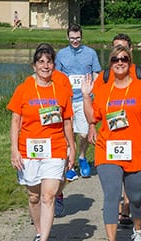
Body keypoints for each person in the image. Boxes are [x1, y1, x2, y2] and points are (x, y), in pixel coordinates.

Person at [83, 45, 141, 241]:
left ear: (130, 63)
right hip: (108, 150)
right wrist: (85, 96)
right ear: (110, 64)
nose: (120, 62)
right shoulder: (104, 89)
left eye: (125, 59)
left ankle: (138, 231)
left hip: (138, 150)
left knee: (136, 197)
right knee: (111, 195)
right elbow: (93, 117)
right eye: (116, 59)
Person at [7, 44, 75, 241]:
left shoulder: (62, 89)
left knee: (48, 195)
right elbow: (16, 120)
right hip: (29, 150)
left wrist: (71, 147)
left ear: (54, 65)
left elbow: (66, 121)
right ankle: (38, 233)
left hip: (55, 148)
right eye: (41, 62)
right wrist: (14, 149)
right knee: (34, 196)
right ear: (34, 65)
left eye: (49, 61)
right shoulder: (23, 89)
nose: (45, 66)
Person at [95, 33, 141, 226]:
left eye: (124, 52)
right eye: (115, 52)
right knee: (113, 186)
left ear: (130, 51)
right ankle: (119, 214)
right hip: (112, 139)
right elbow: (96, 109)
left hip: (135, 138)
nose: (119, 58)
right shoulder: (106, 76)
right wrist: (93, 126)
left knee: (134, 188)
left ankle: (128, 208)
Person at [55, 23, 101, 181]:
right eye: (72, 38)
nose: (75, 41)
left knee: (83, 133)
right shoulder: (61, 54)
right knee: (68, 134)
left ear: (82, 37)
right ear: (67, 37)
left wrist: (92, 92)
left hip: (84, 99)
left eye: (78, 38)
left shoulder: (91, 53)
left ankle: (82, 157)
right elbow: (57, 77)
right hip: (67, 99)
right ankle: (70, 164)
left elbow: (96, 74)